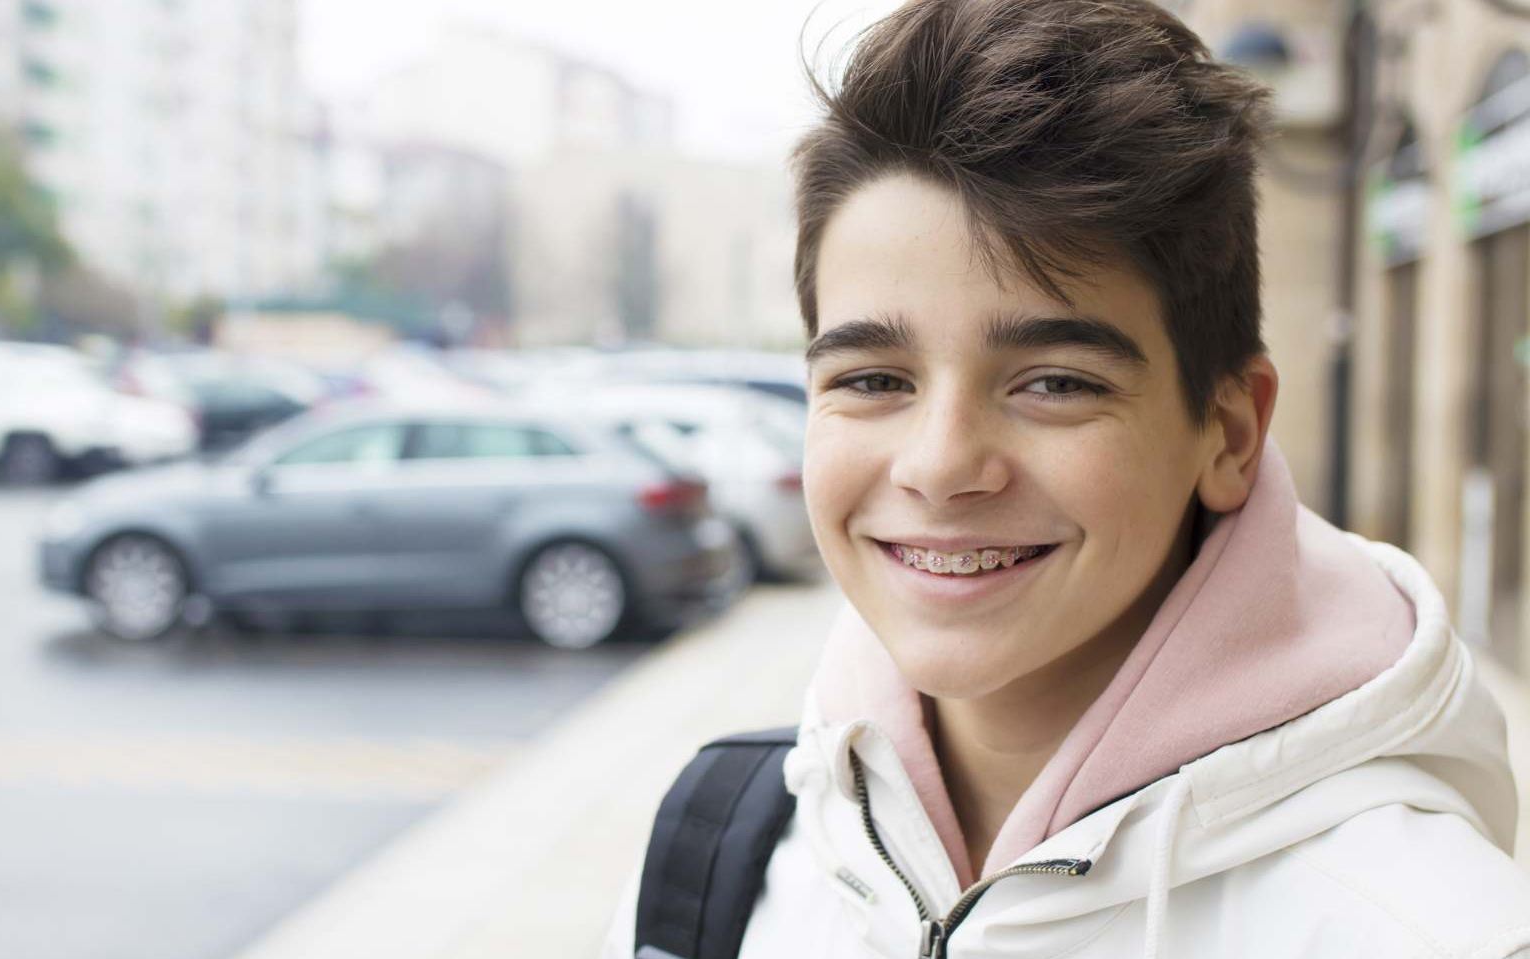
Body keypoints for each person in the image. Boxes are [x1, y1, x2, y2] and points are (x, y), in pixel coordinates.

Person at [605, 0, 1530, 955]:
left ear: (1229, 433)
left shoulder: (1429, 930)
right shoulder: (719, 859)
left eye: (1054, 383)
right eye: (874, 380)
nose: (940, 466)